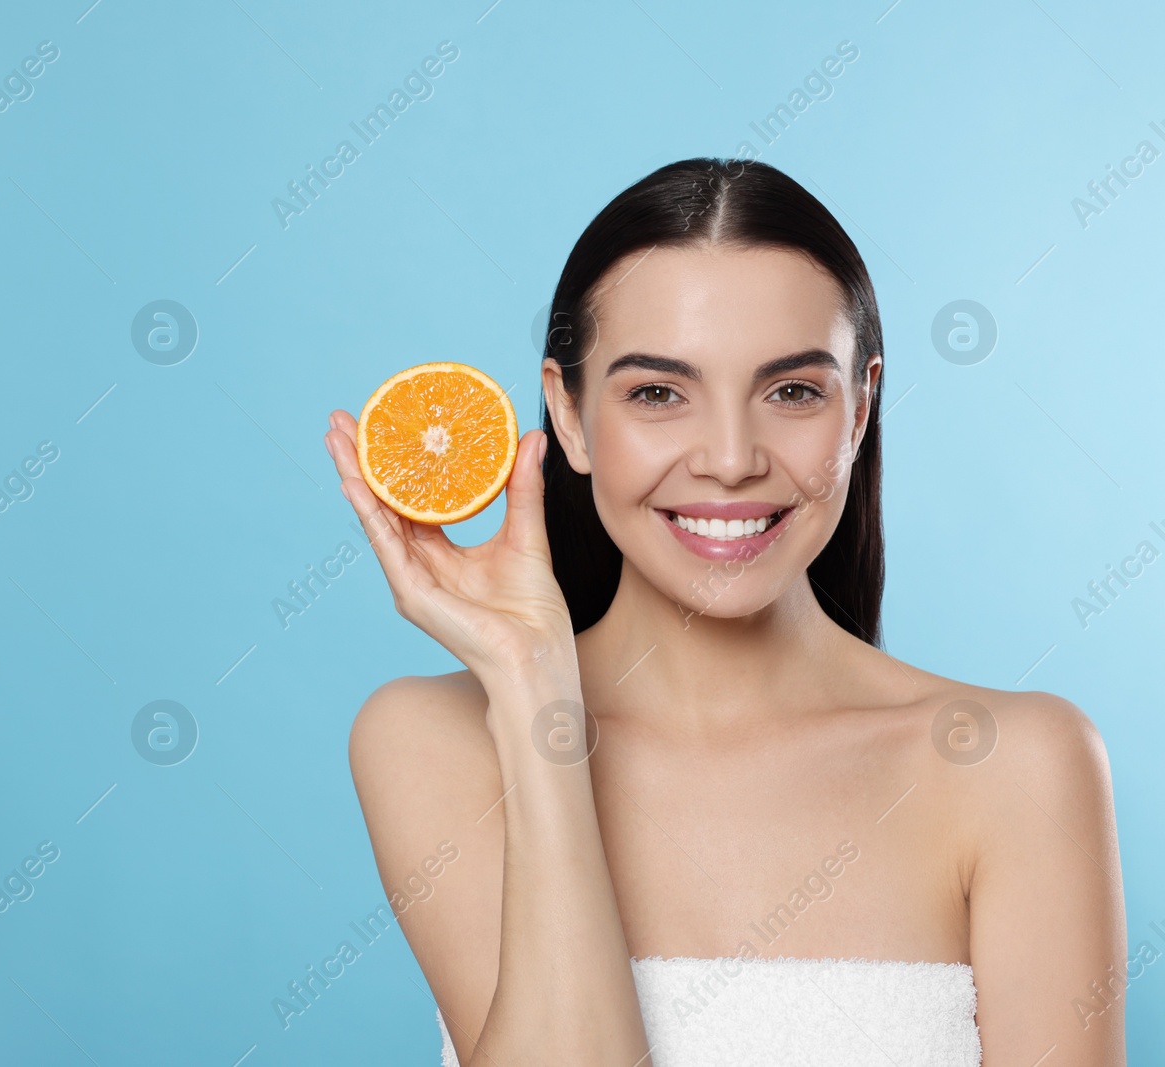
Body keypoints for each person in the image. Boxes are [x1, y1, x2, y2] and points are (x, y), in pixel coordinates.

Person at [322, 158, 1125, 1066]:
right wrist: (533, 687)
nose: (732, 459)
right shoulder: (435, 740)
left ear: (860, 409)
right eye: (658, 393)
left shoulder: (1015, 765)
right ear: (571, 416)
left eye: (793, 391)